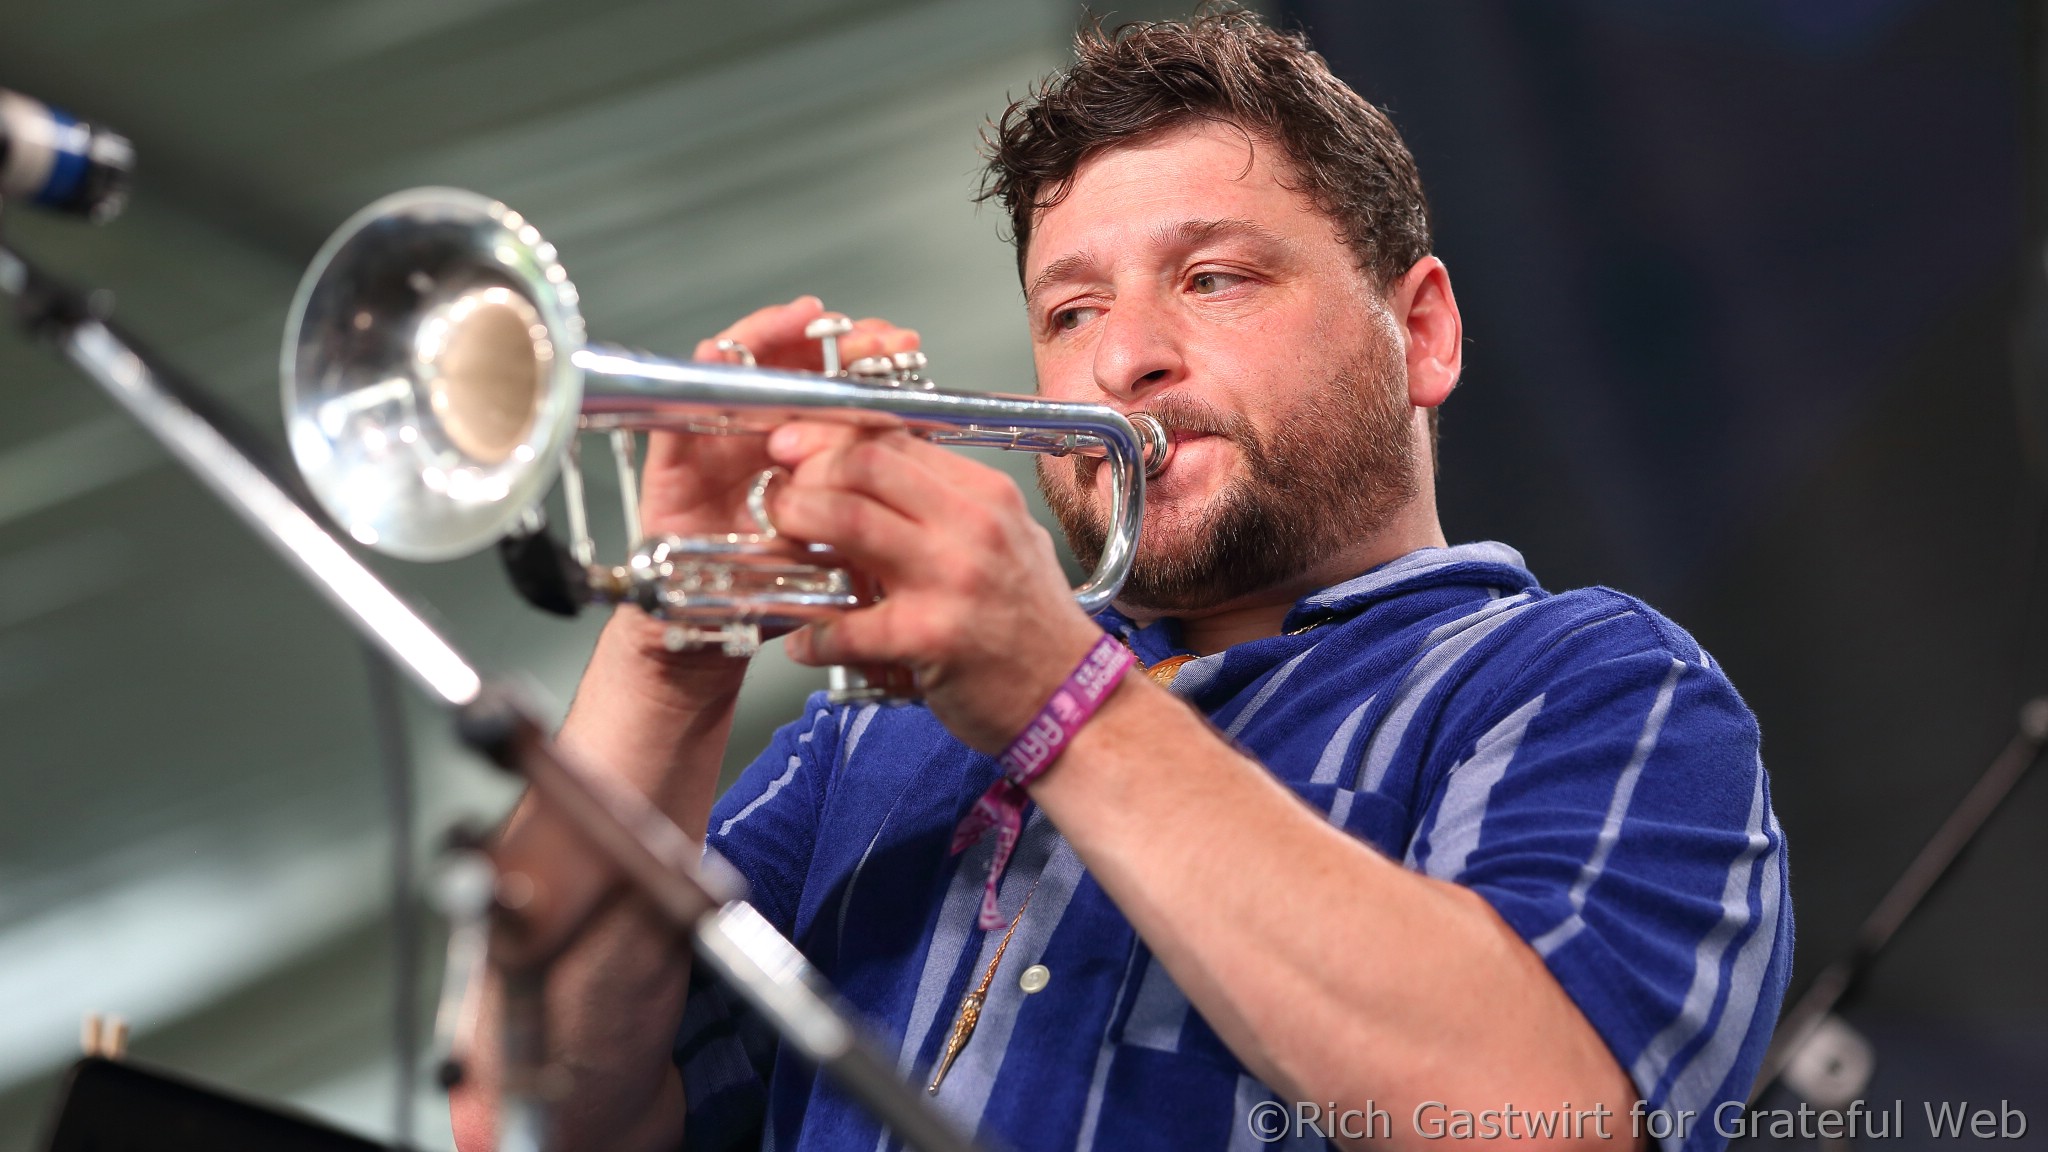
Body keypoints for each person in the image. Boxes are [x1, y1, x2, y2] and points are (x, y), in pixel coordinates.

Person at [451, 10, 1792, 1152]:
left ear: (1421, 333)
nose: (1125, 360)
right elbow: (527, 1108)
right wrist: (674, 648)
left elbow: (1538, 1117)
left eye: (1212, 277)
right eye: (1071, 311)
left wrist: (1057, 691)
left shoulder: (1591, 683)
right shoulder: (872, 741)